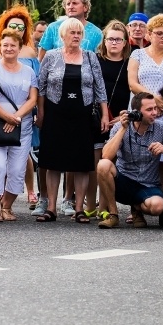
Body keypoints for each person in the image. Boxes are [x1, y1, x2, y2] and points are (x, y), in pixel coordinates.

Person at [36, 17, 108, 223]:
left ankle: (78, 209)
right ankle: (51, 208)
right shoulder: (51, 56)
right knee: (52, 161)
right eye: (72, 33)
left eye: (79, 33)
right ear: (63, 35)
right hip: (55, 113)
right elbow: (41, 87)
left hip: (82, 114)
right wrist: (41, 112)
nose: (76, 36)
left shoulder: (90, 57)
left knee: (81, 162)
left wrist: (104, 114)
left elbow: (99, 87)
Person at [127, 13, 163, 217]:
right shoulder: (138, 55)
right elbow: (132, 83)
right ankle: (136, 209)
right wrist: (154, 99)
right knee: (137, 159)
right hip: (143, 111)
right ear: (149, 34)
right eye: (159, 33)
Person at [97, 92, 163, 229]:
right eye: (149, 109)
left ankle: (136, 208)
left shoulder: (160, 127)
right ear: (136, 112)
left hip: (148, 185)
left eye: (155, 108)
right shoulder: (120, 127)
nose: (155, 113)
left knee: (158, 206)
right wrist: (123, 129)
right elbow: (106, 155)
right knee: (103, 165)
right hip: (123, 182)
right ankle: (114, 215)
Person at [0, 29, 37, 222]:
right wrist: (6, 117)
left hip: (22, 127)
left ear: (20, 48)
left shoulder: (29, 71)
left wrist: (16, 118)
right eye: (5, 45)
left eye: (13, 45)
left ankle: (7, 206)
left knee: (17, 170)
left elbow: (33, 99)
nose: (8, 48)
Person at [87, 20, 132, 218]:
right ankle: (90, 205)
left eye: (118, 39)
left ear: (125, 42)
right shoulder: (95, 60)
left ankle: (104, 208)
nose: (114, 43)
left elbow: (134, 91)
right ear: (104, 41)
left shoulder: (130, 62)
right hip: (97, 116)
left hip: (122, 117)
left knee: (109, 161)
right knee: (94, 163)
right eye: (110, 39)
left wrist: (124, 116)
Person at [37, 0, 103, 61]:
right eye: (68, 4)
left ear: (85, 7)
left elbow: (99, 61)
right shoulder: (53, 28)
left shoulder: (96, 33)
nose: (70, 7)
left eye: (74, 3)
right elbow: (41, 58)